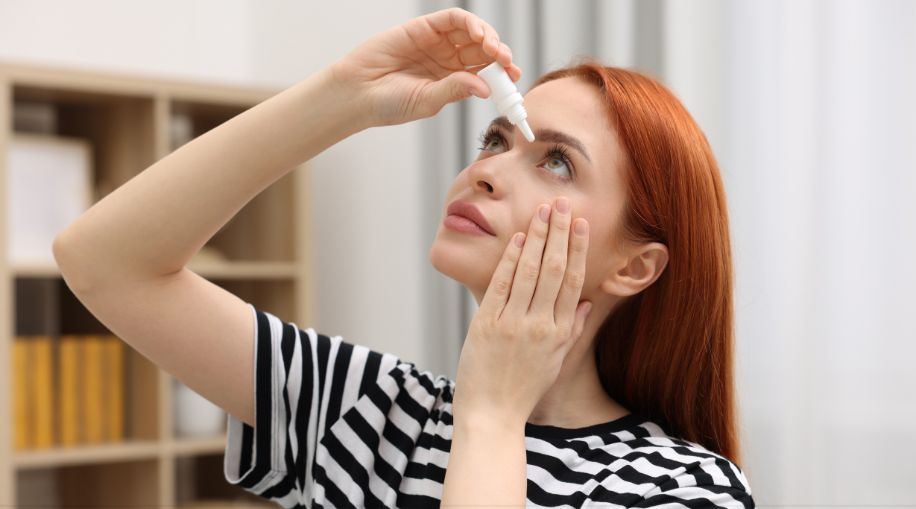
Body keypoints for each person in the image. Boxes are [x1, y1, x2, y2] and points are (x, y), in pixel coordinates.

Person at [53, 7, 754, 509]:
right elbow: (104, 260)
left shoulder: (680, 486)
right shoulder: (375, 412)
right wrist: (342, 96)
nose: (486, 171)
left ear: (634, 266)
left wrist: (491, 415)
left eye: (559, 163)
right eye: (496, 140)